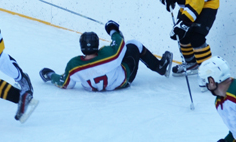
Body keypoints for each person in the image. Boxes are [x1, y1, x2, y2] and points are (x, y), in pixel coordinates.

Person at [39, 23, 173, 91]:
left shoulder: (74, 65)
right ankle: (160, 67)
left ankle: (160, 67)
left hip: (97, 87)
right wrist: (112, 29)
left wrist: (51, 75)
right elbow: (121, 43)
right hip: (123, 80)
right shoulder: (110, 54)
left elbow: (65, 83)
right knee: (134, 44)